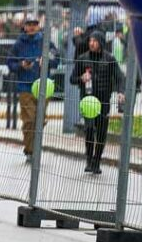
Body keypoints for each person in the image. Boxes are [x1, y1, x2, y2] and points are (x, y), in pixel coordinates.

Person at [69, 31, 124, 174]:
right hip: (87, 101)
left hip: (104, 101)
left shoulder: (110, 59)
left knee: (101, 131)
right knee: (89, 128)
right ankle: (89, 159)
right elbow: (72, 78)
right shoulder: (82, 59)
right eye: (90, 41)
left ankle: (97, 161)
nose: (91, 43)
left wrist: (120, 92)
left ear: (100, 42)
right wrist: (81, 78)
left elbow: (119, 77)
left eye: (94, 41)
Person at [7, 15, 59, 161]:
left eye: (34, 24)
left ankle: (34, 147)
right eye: (29, 24)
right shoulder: (18, 44)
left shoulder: (46, 41)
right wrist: (21, 65)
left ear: (38, 26)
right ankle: (30, 151)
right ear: (24, 26)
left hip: (43, 86)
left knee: (40, 120)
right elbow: (10, 63)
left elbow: (57, 59)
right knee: (29, 120)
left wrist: (47, 61)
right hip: (25, 86)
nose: (31, 27)